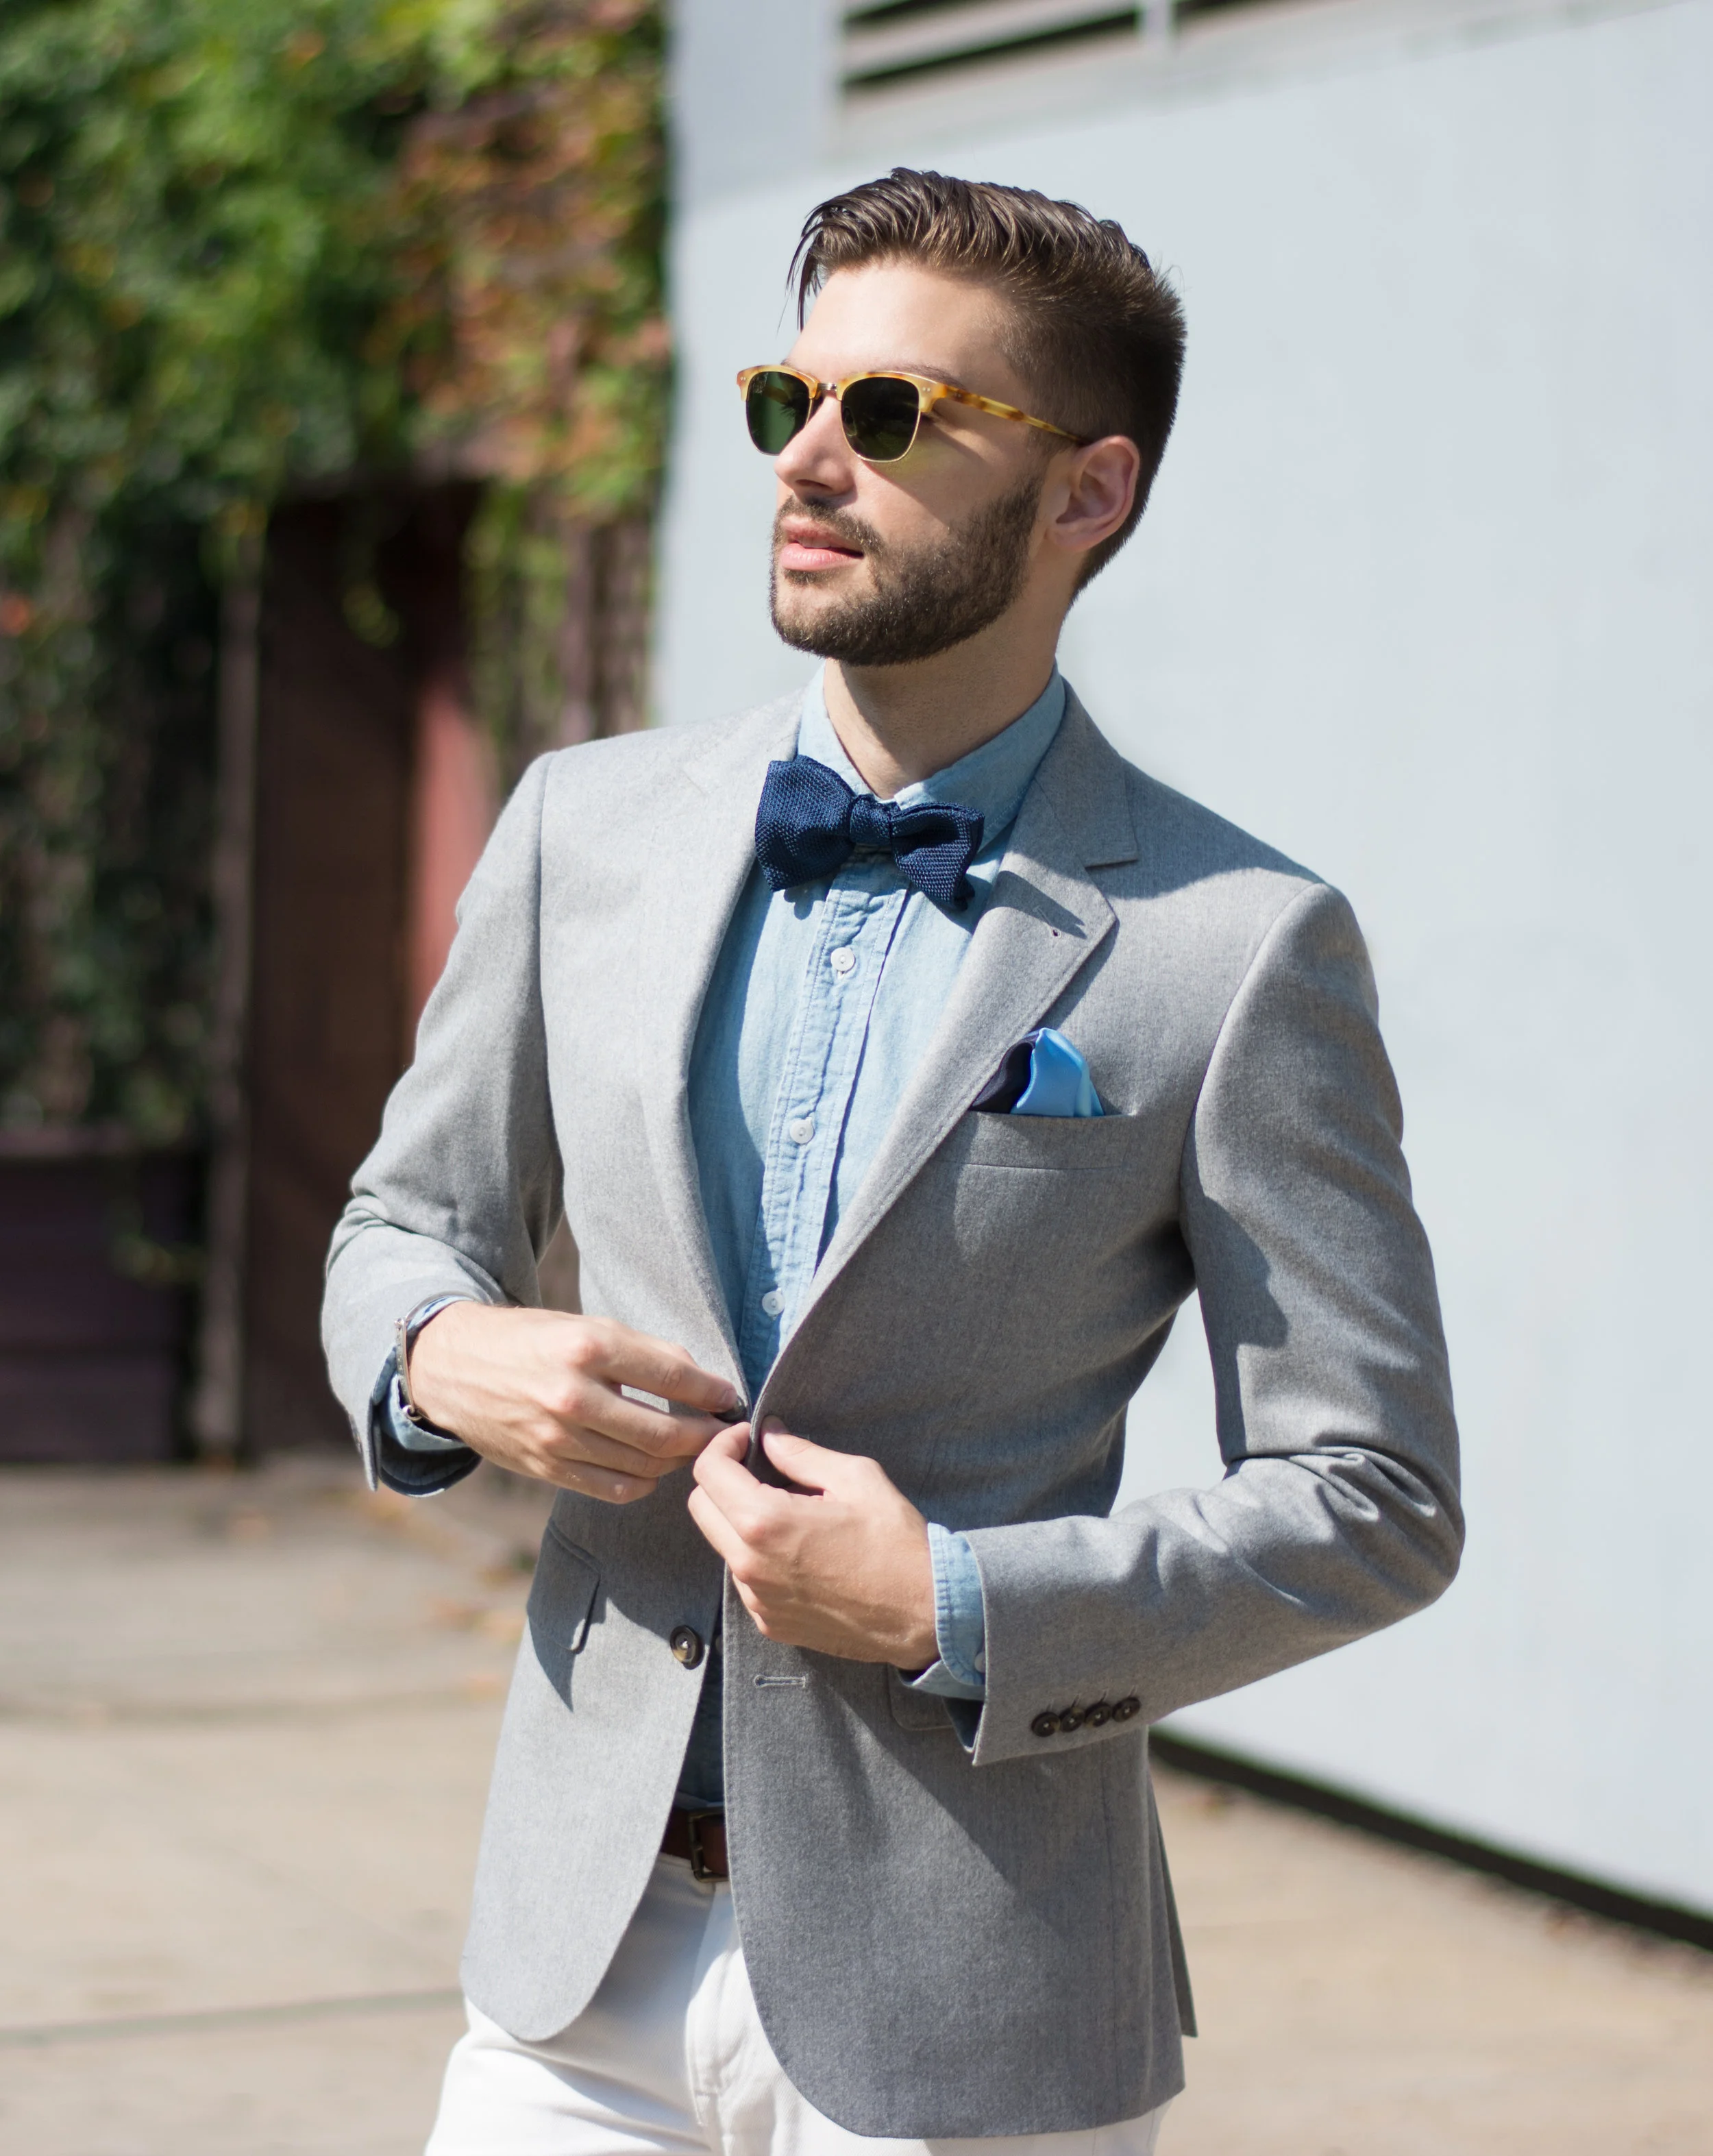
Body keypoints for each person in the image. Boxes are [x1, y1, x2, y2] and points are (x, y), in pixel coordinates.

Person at [323, 167, 1462, 2156]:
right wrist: (435, 1356)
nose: (812, 460)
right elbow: (401, 1221)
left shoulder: (1233, 942)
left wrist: (952, 1597)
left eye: (895, 415)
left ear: (1084, 496)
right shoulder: (580, 832)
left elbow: (1370, 1495)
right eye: (789, 401)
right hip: (572, 1973)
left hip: (974, 1992)